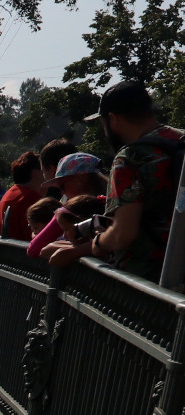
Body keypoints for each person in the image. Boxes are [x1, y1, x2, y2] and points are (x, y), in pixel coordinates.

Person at [86, 81, 185, 281]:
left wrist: (97, 243)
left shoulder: (129, 157)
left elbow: (123, 233)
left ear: (112, 119)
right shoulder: (181, 140)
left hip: (152, 284)